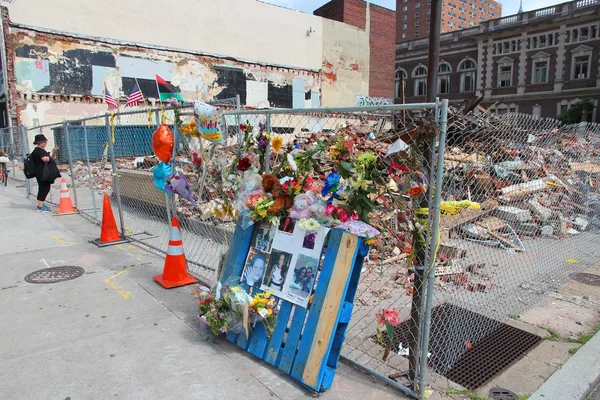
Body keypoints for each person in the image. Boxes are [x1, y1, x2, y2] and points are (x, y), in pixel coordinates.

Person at [32, 134, 58, 213]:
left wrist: (54, 152)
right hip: (41, 172)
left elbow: (51, 158)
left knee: (46, 188)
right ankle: (40, 206)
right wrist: (52, 151)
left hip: (43, 172)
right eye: (45, 142)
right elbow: (46, 159)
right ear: (40, 142)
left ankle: (41, 204)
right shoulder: (38, 151)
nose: (46, 143)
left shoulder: (40, 150)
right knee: (43, 188)